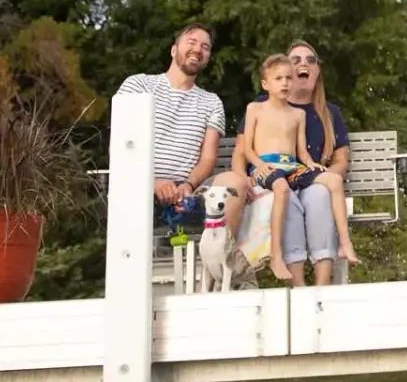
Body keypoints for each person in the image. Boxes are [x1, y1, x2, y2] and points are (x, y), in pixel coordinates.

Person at [114, 23, 250, 241]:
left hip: (188, 193)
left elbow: (208, 157)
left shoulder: (211, 102)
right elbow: (122, 145)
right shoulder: (139, 85)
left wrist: (189, 185)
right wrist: (153, 182)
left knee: (237, 182)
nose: (198, 49)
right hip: (138, 184)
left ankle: (220, 267)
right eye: (192, 42)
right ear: (173, 49)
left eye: (205, 47)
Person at [235, 53, 356, 282]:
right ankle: (276, 255)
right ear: (265, 84)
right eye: (279, 78)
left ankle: (344, 243)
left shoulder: (298, 114)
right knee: (282, 189)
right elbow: (246, 149)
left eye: (288, 79)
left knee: (333, 181)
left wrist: (312, 165)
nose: (285, 83)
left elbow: (302, 152)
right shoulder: (256, 108)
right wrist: (257, 167)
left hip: (292, 166)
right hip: (267, 166)